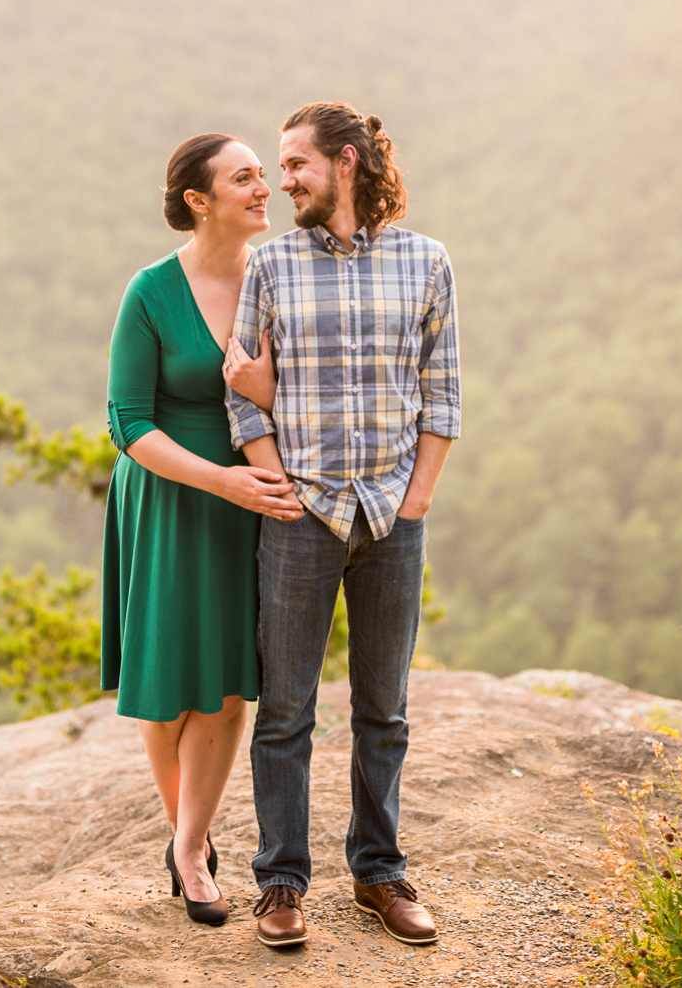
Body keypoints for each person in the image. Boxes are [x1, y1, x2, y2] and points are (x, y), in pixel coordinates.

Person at [224, 102, 460, 949]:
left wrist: (419, 496)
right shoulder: (271, 266)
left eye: (296, 165)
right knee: (286, 709)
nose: (281, 182)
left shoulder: (427, 262)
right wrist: (277, 483)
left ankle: (378, 871)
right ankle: (281, 882)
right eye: (278, 168)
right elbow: (238, 391)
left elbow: (444, 393)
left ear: (348, 162)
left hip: (395, 514)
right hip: (302, 514)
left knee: (383, 709)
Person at [101, 133, 302, 927]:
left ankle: (188, 847)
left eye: (265, 175)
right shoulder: (149, 291)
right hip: (169, 498)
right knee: (168, 683)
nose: (265, 189)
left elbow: (318, 391)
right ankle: (191, 843)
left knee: (225, 683)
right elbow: (128, 421)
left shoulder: (281, 276)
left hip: (254, 496)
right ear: (199, 199)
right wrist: (221, 480)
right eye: (246, 178)